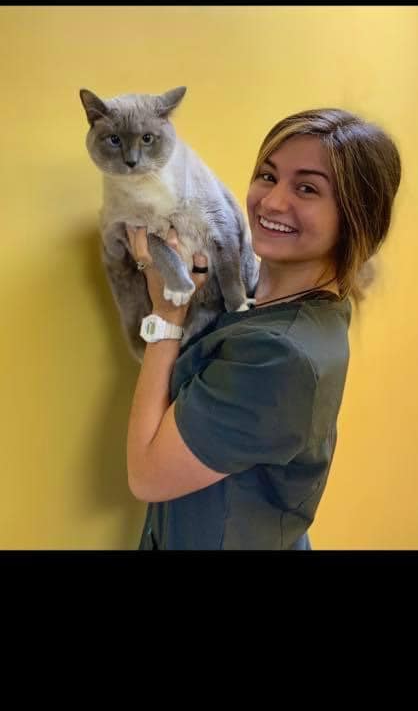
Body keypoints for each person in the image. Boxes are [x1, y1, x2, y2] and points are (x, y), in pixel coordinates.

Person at [125, 108, 401, 550]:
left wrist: (168, 313)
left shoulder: (280, 356)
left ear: (356, 217)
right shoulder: (300, 305)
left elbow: (146, 475)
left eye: (307, 188)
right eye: (268, 176)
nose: (272, 202)